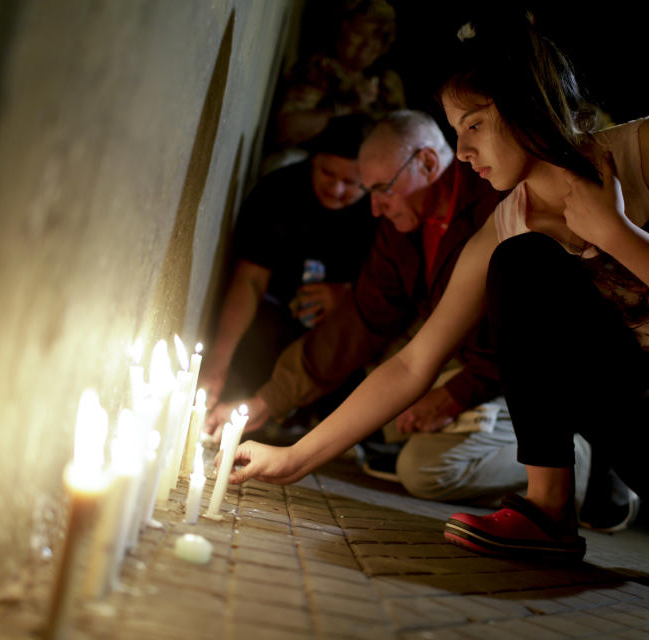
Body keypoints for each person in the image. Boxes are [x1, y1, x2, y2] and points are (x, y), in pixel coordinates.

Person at [223, 9, 649, 600]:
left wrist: (616, 232)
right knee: (520, 263)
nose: (464, 150)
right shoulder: (511, 220)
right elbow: (412, 363)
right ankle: (548, 511)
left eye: (473, 125)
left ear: (526, 102)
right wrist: (295, 457)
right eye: (454, 130)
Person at [210, 109, 539, 505]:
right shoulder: (400, 229)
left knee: (424, 469)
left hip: (526, 375)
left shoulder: (495, 204)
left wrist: (456, 393)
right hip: (467, 363)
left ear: (428, 162)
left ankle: (567, 461)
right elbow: (360, 322)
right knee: (388, 415)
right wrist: (269, 399)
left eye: (383, 188)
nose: (375, 208)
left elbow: (527, 332)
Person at [199, 114, 378, 416]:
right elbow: (250, 280)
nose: (335, 189)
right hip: (274, 315)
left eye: (351, 182)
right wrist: (219, 359)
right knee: (243, 375)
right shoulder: (279, 193)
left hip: (342, 327)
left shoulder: (381, 211)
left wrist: (347, 294)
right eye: (326, 173)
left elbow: (395, 291)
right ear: (313, 159)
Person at [274, 0, 406, 150]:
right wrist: (346, 106)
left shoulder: (386, 84)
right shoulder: (320, 70)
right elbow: (284, 131)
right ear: (342, 29)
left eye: (376, 37)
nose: (367, 44)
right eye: (359, 33)